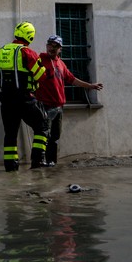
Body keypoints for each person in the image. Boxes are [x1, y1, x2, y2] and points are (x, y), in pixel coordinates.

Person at [34, 35, 104, 167]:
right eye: (49, 45)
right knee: (43, 135)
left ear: (60, 48)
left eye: (55, 46)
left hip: (59, 106)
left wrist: (91, 86)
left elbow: (72, 80)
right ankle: (38, 161)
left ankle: (51, 161)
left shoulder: (61, 64)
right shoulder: (41, 59)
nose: (51, 48)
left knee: (54, 136)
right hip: (45, 105)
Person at [0, 21, 49, 171]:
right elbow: (41, 75)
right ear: (30, 36)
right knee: (42, 126)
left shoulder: (1, 51)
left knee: (10, 133)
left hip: (6, 100)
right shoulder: (27, 52)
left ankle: (10, 167)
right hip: (24, 99)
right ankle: (37, 161)